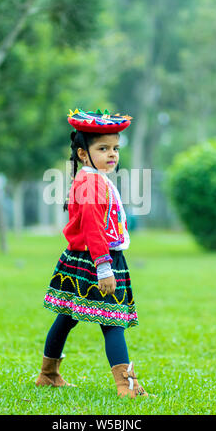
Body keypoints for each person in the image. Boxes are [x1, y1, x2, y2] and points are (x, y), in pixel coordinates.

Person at [36, 108, 152, 398]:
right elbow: (92, 229)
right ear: (83, 153)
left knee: (67, 316)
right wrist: (104, 267)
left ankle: (48, 374)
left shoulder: (96, 178)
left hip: (84, 259)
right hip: (95, 260)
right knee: (113, 322)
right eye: (103, 148)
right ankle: (126, 387)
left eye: (115, 148)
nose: (112, 154)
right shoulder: (90, 182)